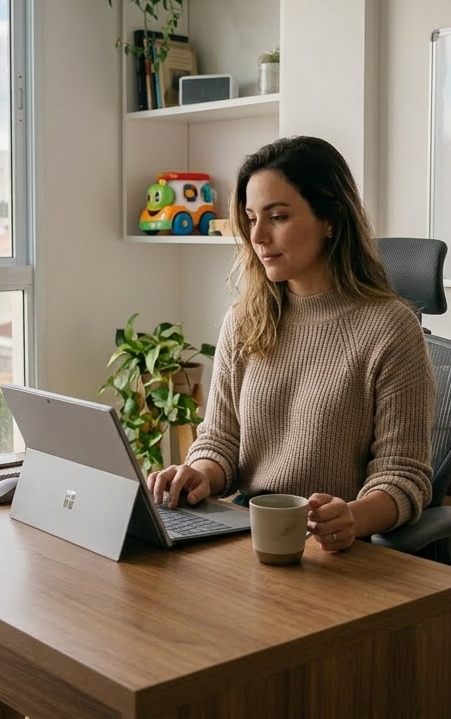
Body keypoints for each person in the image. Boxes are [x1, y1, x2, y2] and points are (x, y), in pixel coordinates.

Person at [146, 136, 435, 553]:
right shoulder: (245, 319)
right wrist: (200, 474)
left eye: (277, 216)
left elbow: (403, 476)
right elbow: (221, 439)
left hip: (333, 552)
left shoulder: (390, 329)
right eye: (249, 218)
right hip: (245, 534)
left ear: (329, 219)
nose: (257, 236)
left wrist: (354, 517)